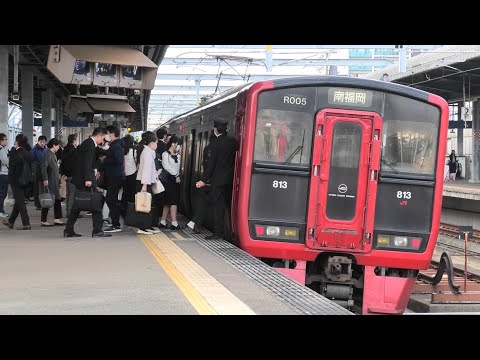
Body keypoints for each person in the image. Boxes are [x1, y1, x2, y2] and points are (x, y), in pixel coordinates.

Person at [64, 127, 111, 238]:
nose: (102, 141)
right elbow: (87, 162)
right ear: (99, 136)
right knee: (96, 202)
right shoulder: (90, 145)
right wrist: (88, 179)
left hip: (81, 179)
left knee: (78, 206)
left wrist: (107, 149)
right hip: (85, 179)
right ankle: (97, 230)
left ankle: (69, 230)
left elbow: (95, 155)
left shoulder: (89, 143)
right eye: (103, 138)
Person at [196, 118, 238, 240]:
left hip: (217, 181)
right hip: (231, 180)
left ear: (215, 129)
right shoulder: (233, 142)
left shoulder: (214, 144)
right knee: (229, 206)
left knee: (218, 207)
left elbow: (211, 165)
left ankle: (218, 233)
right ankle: (232, 231)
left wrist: (203, 180)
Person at [2, 134, 32, 230]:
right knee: (19, 201)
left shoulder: (15, 153)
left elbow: (12, 167)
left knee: (20, 202)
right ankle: (11, 221)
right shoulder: (27, 153)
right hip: (26, 180)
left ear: (17, 142)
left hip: (16, 181)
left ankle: (26, 223)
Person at [187, 134, 216, 233]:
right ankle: (195, 223)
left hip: (204, 180)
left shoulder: (206, 149)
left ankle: (194, 222)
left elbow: (204, 164)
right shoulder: (212, 150)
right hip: (209, 182)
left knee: (204, 203)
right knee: (206, 204)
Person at [136, 132, 160, 235]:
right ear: (151, 143)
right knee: (144, 205)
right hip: (144, 183)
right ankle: (142, 227)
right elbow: (146, 170)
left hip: (147, 182)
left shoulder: (149, 153)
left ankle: (147, 226)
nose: (157, 145)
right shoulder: (147, 153)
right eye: (156, 143)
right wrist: (145, 185)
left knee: (147, 205)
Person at [102, 125, 125, 233]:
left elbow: (118, 160)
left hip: (115, 176)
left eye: (107, 133)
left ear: (111, 134)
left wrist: (105, 160)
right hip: (115, 176)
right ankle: (115, 222)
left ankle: (116, 224)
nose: (106, 136)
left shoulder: (116, 146)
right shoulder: (115, 145)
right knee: (112, 199)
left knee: (111, 199)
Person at [40, 138, 64, 226]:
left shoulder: (53, 154)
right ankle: (43, 220)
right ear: (53, 145)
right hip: (49, 181)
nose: (59, 148)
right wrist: (45, 179)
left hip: (54, 180)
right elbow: (43, 167)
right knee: (47, 199)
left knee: (57, 199)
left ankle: (57, 218)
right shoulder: (47, 154)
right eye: (58, 146)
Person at [159, 135, 182, 230]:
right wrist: (176, 175)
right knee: (173, 202)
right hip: (169, 179)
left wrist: (177, 176)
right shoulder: (165, 154)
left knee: (168, 202)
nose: (179, 146)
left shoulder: (178, 155)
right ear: (173, 144)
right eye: (178, 144)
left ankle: (163, 222)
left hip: (176, 179)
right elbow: (166, 166)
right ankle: (174, 223)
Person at [60, 134, 79, 217]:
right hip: (73, 174)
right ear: (74, 140)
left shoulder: (65, 149)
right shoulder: (74, 151)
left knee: (68, 193)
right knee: (72, 193)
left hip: (66, 174)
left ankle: (68, 211)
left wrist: (64, 173)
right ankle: (71, 212)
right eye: (77, 139)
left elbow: (63, 163)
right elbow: (75, 164)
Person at [31, 135, 48, 209]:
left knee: (43, 188)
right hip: (37, 171)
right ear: (38, 141)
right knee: (37, 189)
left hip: (43, 171)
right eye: (41, 142)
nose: (42, 143)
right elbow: (33, 161)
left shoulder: (45, 149)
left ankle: (44, 203)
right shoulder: (34, 150)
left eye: (44, 142)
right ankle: (38, 204)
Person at [0, 133, 10, 218]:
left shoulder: (3, 149)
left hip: (2, 173)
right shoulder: (2, 150)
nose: (6, 141)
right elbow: (6, 162)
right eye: (5, 139)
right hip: (3, 174)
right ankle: (1, 211)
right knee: (2, 193)